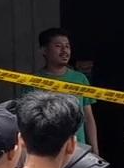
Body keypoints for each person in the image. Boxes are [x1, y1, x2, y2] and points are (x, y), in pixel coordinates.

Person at [36, 28, 100, 158]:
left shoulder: (80, 79)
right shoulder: (33, 81)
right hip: (47, 153)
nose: (65, 51)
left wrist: (95, 149)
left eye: (67, 46)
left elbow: (88, 117)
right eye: (58, 46)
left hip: (78, 151)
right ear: (44, 51)